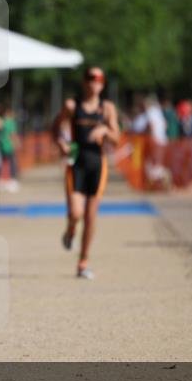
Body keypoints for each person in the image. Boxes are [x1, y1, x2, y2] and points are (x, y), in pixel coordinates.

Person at [61, 66, 121, 278]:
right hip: (76, 162)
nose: (95, 81)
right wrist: (62, 142)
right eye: (90, 77)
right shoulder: (71, 105)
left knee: (90, 215)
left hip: (97, 163)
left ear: (103, 83)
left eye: (99, 78)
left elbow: (117, 137)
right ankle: (70, 231)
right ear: (84, 81)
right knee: (75, 213)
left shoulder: (107, 108)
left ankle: (83, 262)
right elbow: (56, 128)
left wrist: (105, 129)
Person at [52, 97, 78, 221]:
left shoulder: (81, 119)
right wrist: (61, 143)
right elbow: (55, 136)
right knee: (71, 193)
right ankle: (71, 221)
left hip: (81, 159)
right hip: (68, 160)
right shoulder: (60, 121)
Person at [0, 105, 21, 191]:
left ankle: (1, 180)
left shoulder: (2, 122)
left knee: (3, 163)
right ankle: (12, 180)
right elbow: (13, 134)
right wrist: (17, 143)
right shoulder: (11, 122)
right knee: (12, 163)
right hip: (9, 146)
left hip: (2, 146)